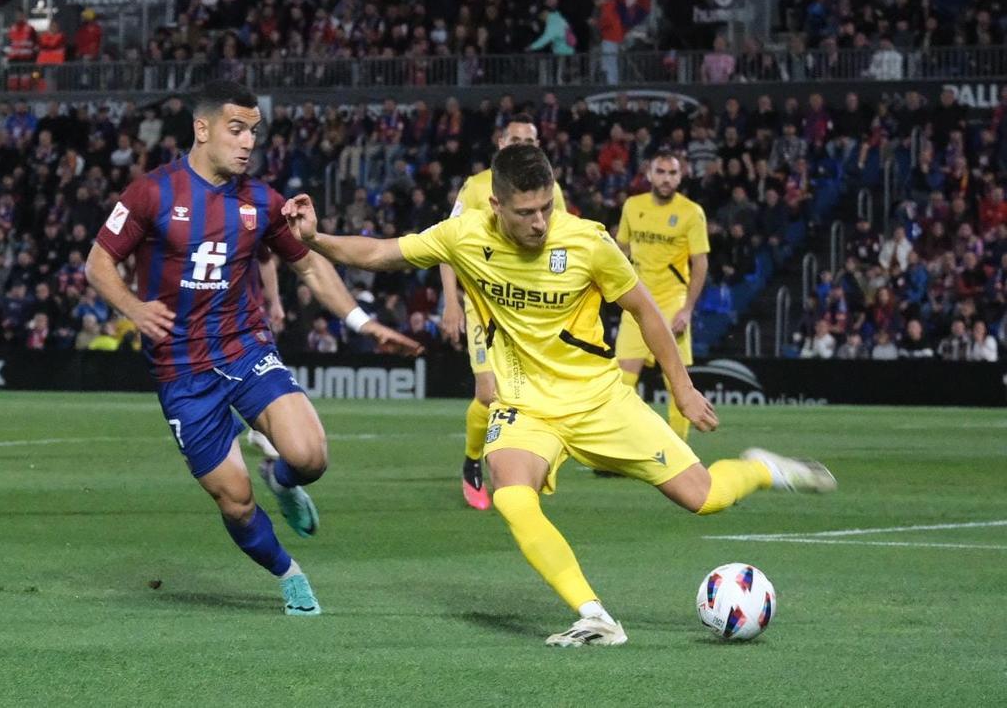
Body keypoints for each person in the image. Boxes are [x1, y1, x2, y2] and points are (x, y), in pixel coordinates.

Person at [284, 144, 836, 646]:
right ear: (496, 204)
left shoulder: (588, 241)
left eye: (546, 206)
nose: (540, 221)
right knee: (510, 492)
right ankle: (594, 615)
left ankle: (762, 469)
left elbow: (646, 311)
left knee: (705, 497)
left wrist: (683, 388)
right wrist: (313, 239)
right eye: (526, 212)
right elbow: (382, 252)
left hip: (600, 400)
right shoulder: (464, 235)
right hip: (526, 406)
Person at [85, 81, 421, 617]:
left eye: (253, 132)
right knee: (235, 501)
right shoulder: (152, 192)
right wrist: (134, 307)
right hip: (182, 370)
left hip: (245, 349)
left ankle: (282, 479)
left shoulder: (261, 201)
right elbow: (98, 263)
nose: (247, 143)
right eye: (236, 129)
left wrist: (363, 321)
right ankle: (289, 574)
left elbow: (308, 264)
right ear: (202, 129)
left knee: (310, 457)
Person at [441, 114, 568, 510]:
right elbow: (445, 245)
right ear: (500, 142)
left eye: (530, 140)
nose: (522, 146)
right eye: (515, 139)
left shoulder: (551, 191)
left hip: (532, 310)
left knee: (537, 392)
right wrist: (450, 302)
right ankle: (471, 463)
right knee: (488, 391)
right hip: (485, 306)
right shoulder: (478, 187)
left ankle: (531, 459)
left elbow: (565, 247)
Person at [614, 151, 708, 440]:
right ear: (649, 174)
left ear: (681, 176)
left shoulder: (691, 212)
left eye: (672, 173)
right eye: (661, 172)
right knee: (622, 381)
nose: (666, 179)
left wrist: (688, 309)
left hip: (671, 302)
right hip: (635, 300)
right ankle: (619, 448)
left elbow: (700, 263)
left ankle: (678, 452)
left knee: (675, 381)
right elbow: (621, 251)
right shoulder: (632, 206)